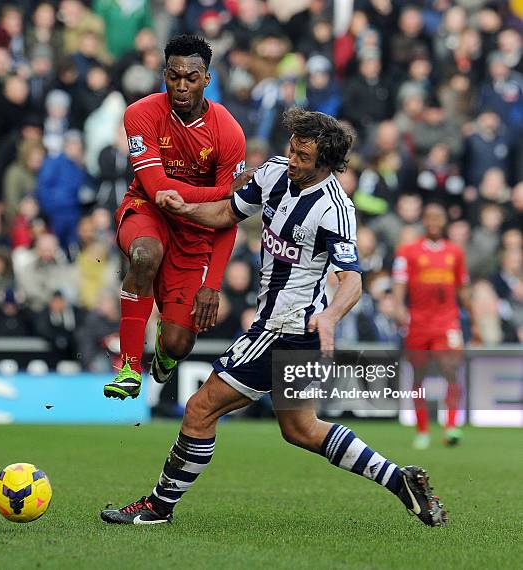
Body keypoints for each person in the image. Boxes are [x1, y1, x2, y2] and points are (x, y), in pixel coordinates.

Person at [100, 109, 447, 528]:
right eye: (292, 150)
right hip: (285, 328)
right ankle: (398, 479)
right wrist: (184, 207)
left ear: (327, 164)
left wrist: (333, 316)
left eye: (304, 156)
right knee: (300, 429)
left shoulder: (335, 209)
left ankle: (158, 507)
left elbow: (352, 278)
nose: (294, 160)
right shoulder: (275, 173)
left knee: (199, 409)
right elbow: (227, 214)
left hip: (286, 329)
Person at [104, 35, 248, 400]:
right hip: (147, 211)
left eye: (191, 77)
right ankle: (128, 367)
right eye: (173, 76)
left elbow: (228, 217)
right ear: (163, 74)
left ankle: (165, 353)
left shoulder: (228, 132)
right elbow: (157, 188)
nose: (181, 86)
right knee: (144, 256)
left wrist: (212, 285)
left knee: (180, 342)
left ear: (207, 79)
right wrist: (226, 192)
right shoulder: (140, 114)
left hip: (197, 231)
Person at [392, 203, 480, 450]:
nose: (433, 222)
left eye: (438, 217)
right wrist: (398, 308)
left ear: (444, 222)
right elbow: (399, 285)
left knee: (451, 370)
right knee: (418, 375)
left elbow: (463, 290)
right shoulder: (408, 252)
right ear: (423, 220)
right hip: (418, 322)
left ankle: (451, 426)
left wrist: (474, 322)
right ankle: (422, 430)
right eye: (429, 217)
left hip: (447, 322)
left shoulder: (455, 253)